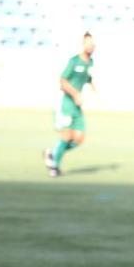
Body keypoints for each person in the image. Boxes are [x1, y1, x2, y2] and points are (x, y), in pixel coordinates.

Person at [43, 32, 95, 177]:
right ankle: (54, 167)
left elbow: (88, 77)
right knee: (66, 135)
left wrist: (95, 90)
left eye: (92, 43)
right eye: (88, 42)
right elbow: (63, 81)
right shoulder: (74, 62)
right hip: (66, 103)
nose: (90, 45)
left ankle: (52, 154)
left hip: (77, 106)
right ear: (83, 44)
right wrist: (75, 94)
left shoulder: (90, 62)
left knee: (79, 138)